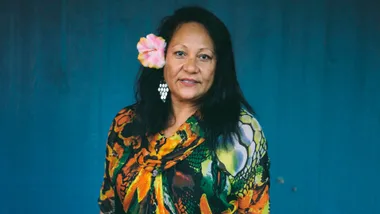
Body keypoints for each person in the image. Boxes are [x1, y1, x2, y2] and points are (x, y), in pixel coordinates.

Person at [98, 5, 270, 214]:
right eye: (180, 53)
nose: (191, 67)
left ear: (218, 67)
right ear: (163, 60)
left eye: (204, 56)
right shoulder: (127, 123)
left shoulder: (240, 133)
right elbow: (109, 205)